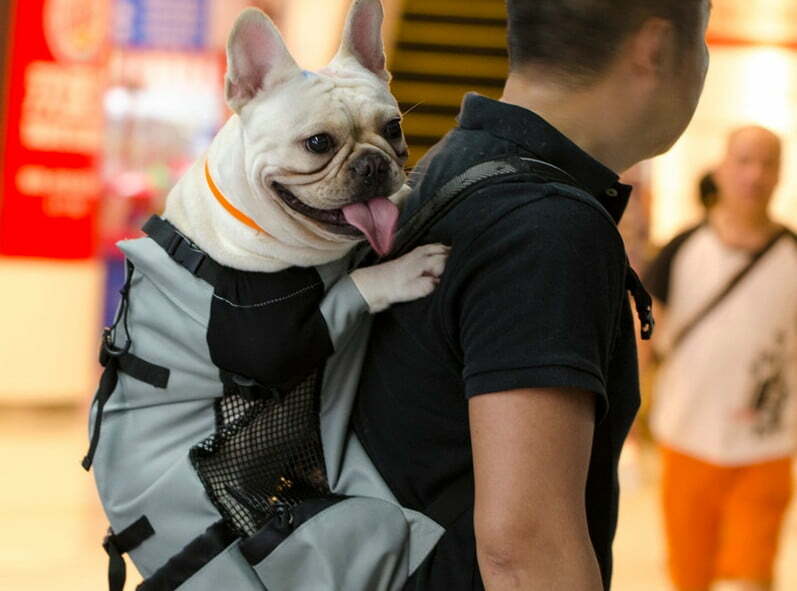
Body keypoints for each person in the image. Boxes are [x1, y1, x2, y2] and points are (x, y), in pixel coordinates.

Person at [353, 1, 711, 589]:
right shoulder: (545, 227)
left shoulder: (452, 166)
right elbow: (525, 553)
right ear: (654, 47)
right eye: (705, 34)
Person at [645, 126, 797, 591]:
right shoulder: (682, 247)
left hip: (766, 445)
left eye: (767, 163)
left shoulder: (792, 253)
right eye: (745, 161)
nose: (755, 174)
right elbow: (644, 334)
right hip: (688, 437)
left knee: (750, 576)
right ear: (723, 169)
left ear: (780, 176)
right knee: (690, 574)